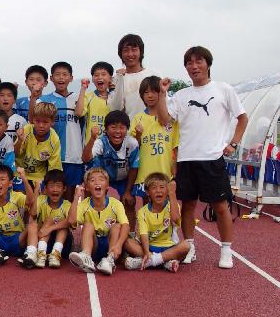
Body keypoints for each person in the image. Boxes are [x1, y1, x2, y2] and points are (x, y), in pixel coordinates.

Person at [155, 46, 248, 269]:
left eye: (199, 61)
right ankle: (189, 248)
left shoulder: (223, 89)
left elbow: (242, 118)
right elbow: (164, 120)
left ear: (208, 64)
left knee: (220, 206)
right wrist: (161, 94)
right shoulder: (181, 95)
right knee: (187, 206)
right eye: (189, 63)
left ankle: (226, 250)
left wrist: (233, 143)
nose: (194, 66)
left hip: (212, 158)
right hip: (187, 159)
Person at [122, 172, 189, 272]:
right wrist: (147, 252)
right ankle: (165, 262)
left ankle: (150, 262)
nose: (158, 191)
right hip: (150, 247)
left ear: (167, 190)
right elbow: (143, 234)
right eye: (154, 188)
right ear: (148, 192)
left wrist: (172, 194)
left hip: (169, 247)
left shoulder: (173, 206)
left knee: (186, 246)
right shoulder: (142, 212)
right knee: (127, 242)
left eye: (162, 187)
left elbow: (175, 219)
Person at [68, 167, 130, 275]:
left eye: (101, 179)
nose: (97, 182)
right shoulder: (84, 204)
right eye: (92, 180)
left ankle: (110, 260)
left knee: (117, 226)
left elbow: (126, 225)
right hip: (94, 245)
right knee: (88, 225)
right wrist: (76, 197)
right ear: (87, 187)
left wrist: (119, 245)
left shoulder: (116, 204)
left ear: (107, 185)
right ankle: (86, 257)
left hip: (111, 244)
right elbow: (72, 222)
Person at [82, 110, 140, 224]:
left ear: (127, 130)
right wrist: (92, 139)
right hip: (103, 176)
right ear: (106, 129)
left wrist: (128, 191)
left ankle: (130, 235)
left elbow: (134, 167)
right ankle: (93, 229)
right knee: (94, 197)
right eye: (113, 127)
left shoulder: (132, 143)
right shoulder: (100, 142)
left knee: (129, 202)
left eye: (122, 128)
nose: (117, 131)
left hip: (124, 178)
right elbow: (85, 158)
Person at [39, 61, 86, 198]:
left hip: (74, 155)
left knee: (70, 195)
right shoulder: (44, 100)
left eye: (65, 74)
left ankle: (69, 220)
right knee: (50, 194)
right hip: (52, 156)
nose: (61, 78)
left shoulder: (80, 98)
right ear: (51, 78)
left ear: (71, 78)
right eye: (57, 75)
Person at [130, 76, 178, 204]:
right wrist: (138, 136)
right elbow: (133, 148)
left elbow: (176, 148)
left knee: (166, 208)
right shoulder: (138, 118)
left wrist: (176, 174)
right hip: (145, 173)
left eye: (154, 91)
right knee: (147, 207)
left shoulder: (171, 119)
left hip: (165, 173)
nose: (150, 96)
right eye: (146, 92)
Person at [0, 165, 37, 266]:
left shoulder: (17, 197)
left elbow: (30, 201)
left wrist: (24, 179)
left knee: (33, 224)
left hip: (18, 239)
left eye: (2, 179)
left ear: (10, 183)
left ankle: (31, 255)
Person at [108, 34, 161, 120]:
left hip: (154, 129)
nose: (130, 54)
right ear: (120, 54)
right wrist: (120, 80)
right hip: (130, 130)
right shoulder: (116, 79)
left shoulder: (154, 74)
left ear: (141, 52)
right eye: (125, 50)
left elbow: (164, 102)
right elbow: (115, 109)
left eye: (134, 50)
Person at [14, 102, 62, 189]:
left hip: (39, 177)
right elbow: (16, 154)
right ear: (33, 120)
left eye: (45, 122)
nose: (41, 125)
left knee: (40, 199)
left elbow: (54, 168)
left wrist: (50, 186)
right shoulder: (26, 130)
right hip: (19, 173)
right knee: (20, 195)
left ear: (52, 122)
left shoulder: (54, 139)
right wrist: (20, 141)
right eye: (37, 121)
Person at [30, 169, 72, 268]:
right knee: (48, 220)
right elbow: (32, 213)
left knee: (63, 226)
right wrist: (36, 190)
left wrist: (50, 228)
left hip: (62, 245)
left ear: (64, 188)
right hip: (42, 240)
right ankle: (41, 255)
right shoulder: (41, 200)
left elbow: (70, 222)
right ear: (45, 188)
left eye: (58, 186)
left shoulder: (67, 205)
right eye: (51, 186)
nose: (55, 189)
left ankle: (55, 254)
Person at [76, 61, 114, 139]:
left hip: (110, 144)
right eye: (96, 75)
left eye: (103, 74)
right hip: (91, 145)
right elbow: (78, 113)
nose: (100, 77)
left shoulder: (114, 98)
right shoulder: (88, 96)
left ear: (110, 78)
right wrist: (83, 88)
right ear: (92, 79)